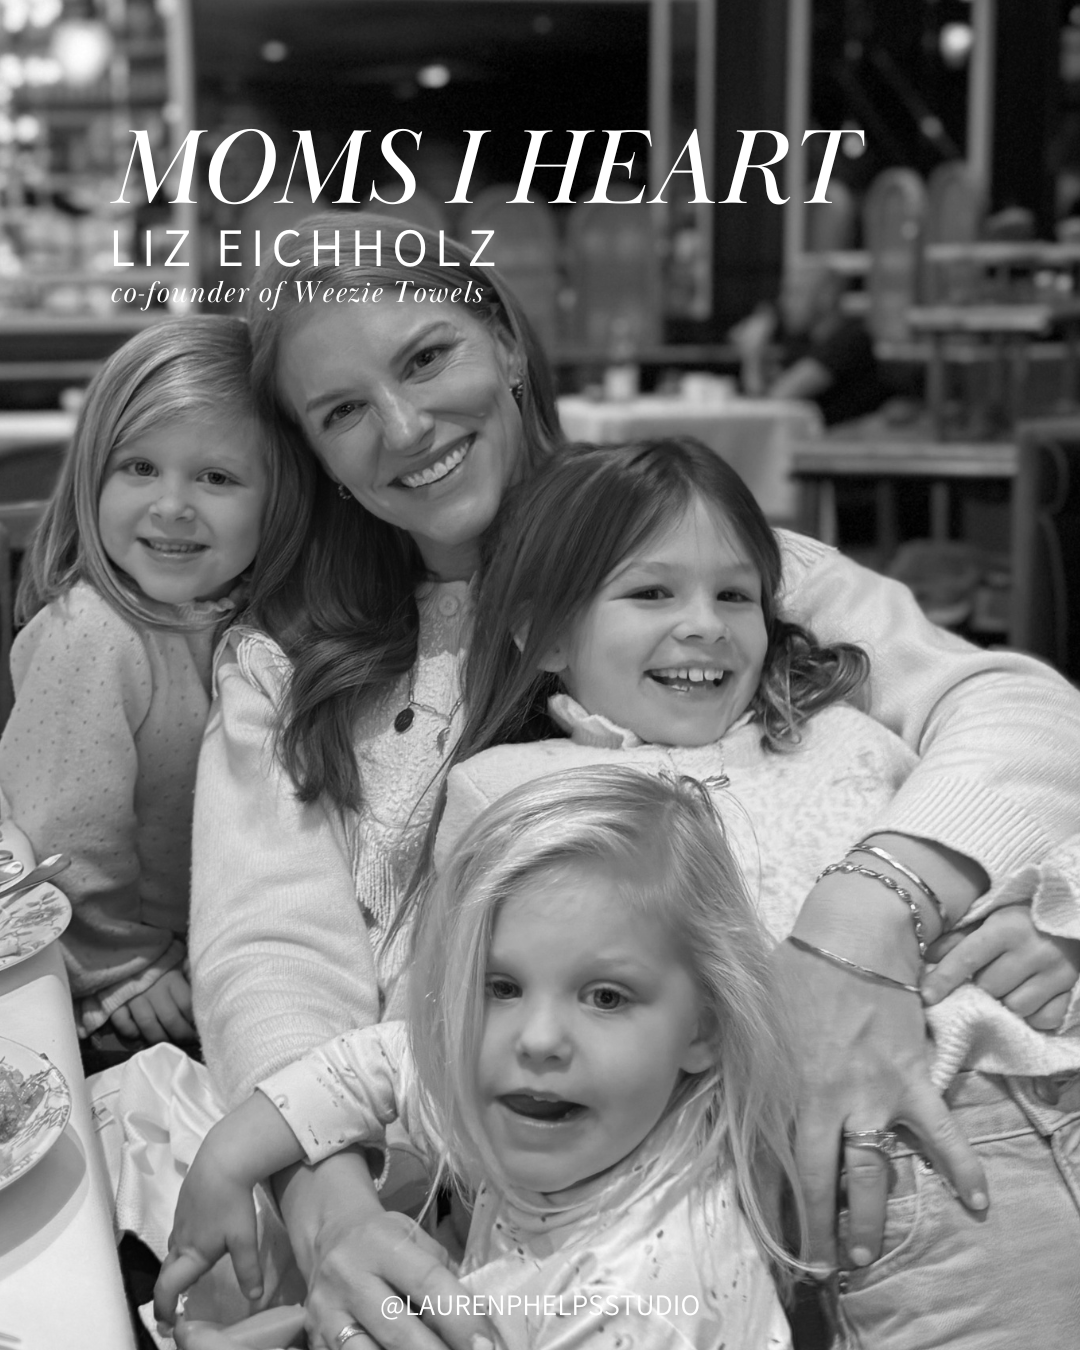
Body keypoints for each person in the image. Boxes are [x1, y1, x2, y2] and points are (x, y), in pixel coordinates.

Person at [183, 213, 1080, 1344]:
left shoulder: (698, 548)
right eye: (343, 412)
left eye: (427, 357)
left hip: (912, 1173)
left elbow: (1015, 709)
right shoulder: (288, 662)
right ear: (315, 456)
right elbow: (272, 948)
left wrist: (880, 916)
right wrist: (328, 1198)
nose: (404, 427)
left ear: (508, 345)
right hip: (551, 1230)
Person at [418, 436, 1080, 1346]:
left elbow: (1034, 826)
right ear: (545, 633)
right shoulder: (511, 791)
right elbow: (447, 1019)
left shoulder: (846, 738)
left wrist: (1060, 921)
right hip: (727, 1209)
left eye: (736, 595)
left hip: (981, 1133)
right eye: (652, 593)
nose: (706, 624)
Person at [160, 769, 800, 1350]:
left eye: (606, 997)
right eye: (502, 987)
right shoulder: (543, 1100)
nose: (538, 1039)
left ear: (703, 1029)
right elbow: (384, 1061)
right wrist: (231, 1153)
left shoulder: (636, 1305)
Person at [0, 317, 301, 1051]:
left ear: (282, 499)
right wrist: (123, 964)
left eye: (216, 477)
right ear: (92, 475)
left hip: (218, 941)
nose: (171, 505)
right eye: (139, 467)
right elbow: (64, 840)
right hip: (115, 968)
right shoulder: (92, 634)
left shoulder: (246, 608)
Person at [730, 255, 892, 426]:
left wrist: (753, 354)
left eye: (795, 293)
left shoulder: (850, 340)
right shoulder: (802, 341)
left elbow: (774, 405)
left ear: (826, 297)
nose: (784, 303)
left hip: (841, 440)